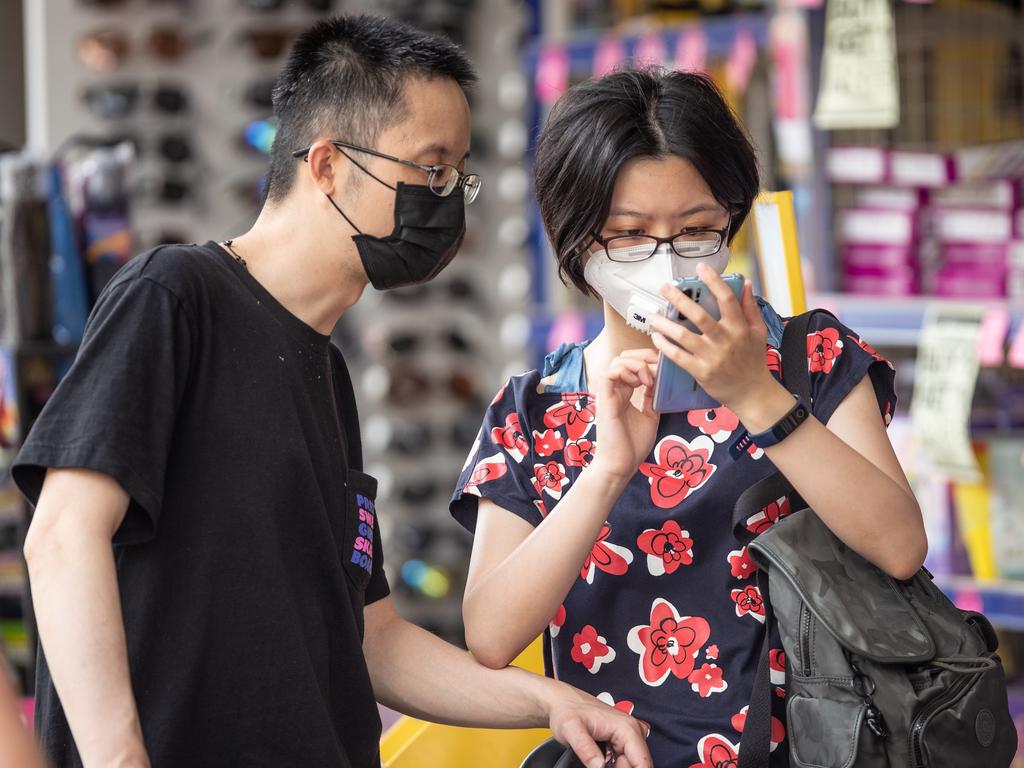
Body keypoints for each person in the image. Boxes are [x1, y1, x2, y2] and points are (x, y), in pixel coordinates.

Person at [14, 16, 652, 768]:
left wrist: (547, 702)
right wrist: (118, 756)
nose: (447, 201)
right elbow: (62, 536)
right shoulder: (175, 297)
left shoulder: (326, 370)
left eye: (458, 177)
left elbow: (371, 639)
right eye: (430, 169)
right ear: (326, 165)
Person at [452, 68, 927, 767]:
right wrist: (609, 468)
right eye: (630, 236)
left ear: (732, 223)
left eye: (697, 229)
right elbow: (490, 636)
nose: (666, 258)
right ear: (575, 237)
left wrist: (756, 395)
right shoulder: (538, 409)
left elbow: (899, 546)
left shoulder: (811, 359)